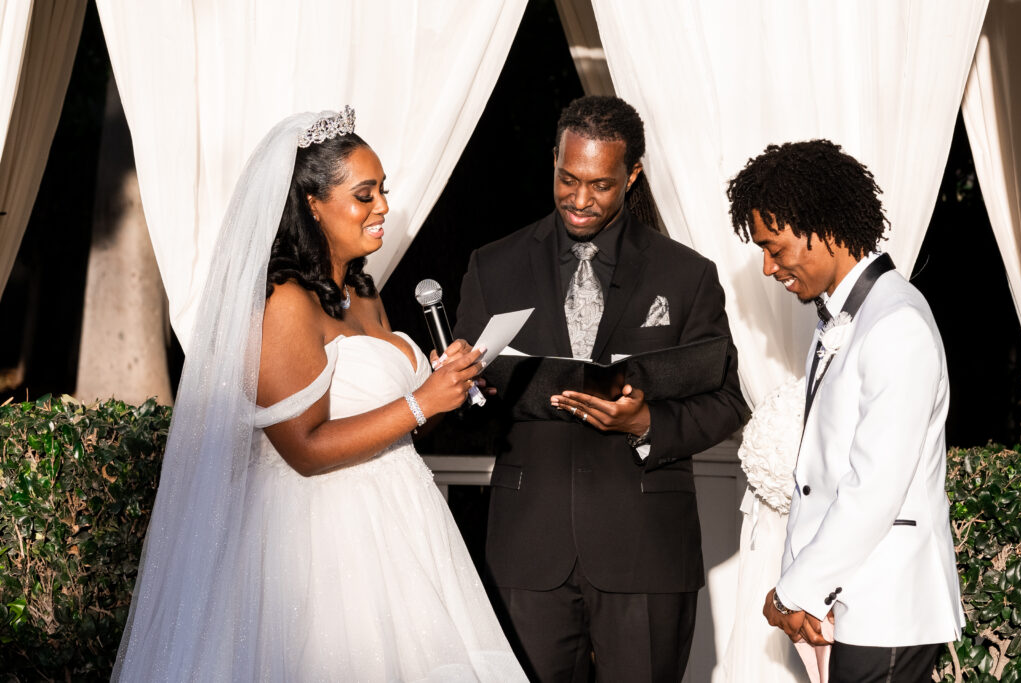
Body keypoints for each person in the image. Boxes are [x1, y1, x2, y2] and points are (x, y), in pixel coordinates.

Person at [112, 109, 528, 681]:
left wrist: (443, 391)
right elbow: (304, 449)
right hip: (323, 544)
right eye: (364, 195)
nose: (383, 206)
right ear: (312, 203)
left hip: (404, 525)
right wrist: (420, 401)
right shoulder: (285, 304)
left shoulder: (364, 292)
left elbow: (401, 425)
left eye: (382, 190)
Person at [453, 95, 748, 682]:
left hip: (647, 552)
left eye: (601, 185)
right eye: (567, 179)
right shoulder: (493, 265)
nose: (580, 199)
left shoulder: (686, 274)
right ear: (554, 160)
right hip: (526, 549)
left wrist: (645, 426)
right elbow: (466, 411)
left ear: (632, 174)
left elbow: (727, 400)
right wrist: (466, 390)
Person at [726, 139, 963, 683]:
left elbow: (873, 488)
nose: (766, 267)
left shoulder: (896, 323)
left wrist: (794, 591)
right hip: (853, 603)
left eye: (775, 247)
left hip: (889, 608)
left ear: (825, 227)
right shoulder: (839, 319)